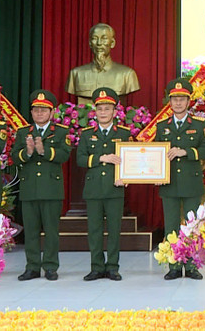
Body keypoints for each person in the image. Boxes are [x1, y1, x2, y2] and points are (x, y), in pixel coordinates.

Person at [155, 79, 205, 280]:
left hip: (191, 182)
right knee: (171, 226)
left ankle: (191, 266)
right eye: (174, 99)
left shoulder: (199, 125)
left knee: (192, 226)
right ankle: (174, 265)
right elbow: (156, 153)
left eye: (182, 99)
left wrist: (185, 152)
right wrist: (156, 173)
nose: (178, 102)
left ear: (189, 102)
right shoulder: (162, 126)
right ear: (169, 102)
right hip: (169, 182)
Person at [13, 90, 71, 282]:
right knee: (30, 232)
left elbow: (64, 155)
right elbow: (14, 157)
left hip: (51, 189)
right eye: (36, 109)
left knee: (51, 231)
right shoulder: (23, 132)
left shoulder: (60, 131)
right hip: (30, 189)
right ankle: (32, 267)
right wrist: (28, 152)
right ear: (31, 112)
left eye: (44, 110)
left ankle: (51, 267)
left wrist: (44, 151)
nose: (39, 113)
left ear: (51, 112)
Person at [77, 87, 131, 281]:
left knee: (114, 230)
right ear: (95, 112)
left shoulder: (123, 134)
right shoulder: (86, 134)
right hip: (93, 189)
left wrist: (127, 176)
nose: (103, 112)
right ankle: (97, 267)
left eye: (107, 109)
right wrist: (102, 158)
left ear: (115, 112)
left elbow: (130, 160)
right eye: (99, 109)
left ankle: (113, 267)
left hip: (115, 188)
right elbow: (80, 159)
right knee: (94, 230)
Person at [67, 23, 140, 104]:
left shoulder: (127, 74)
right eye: (95, 38)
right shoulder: (76, 74)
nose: (99, 43)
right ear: (90, 43)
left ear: (112, 43)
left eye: (104, 38)